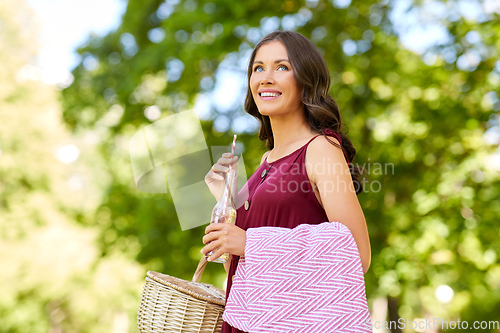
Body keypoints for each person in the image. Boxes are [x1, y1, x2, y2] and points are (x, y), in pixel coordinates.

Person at [201, 30, 371, 333]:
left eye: (282, 67)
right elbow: (244, 276)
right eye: (258, 68)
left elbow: (358, 253)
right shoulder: (264, 165)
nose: (266, 77)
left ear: (305, 80)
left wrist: (249, 243)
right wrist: (227, 200)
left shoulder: (321, 149)